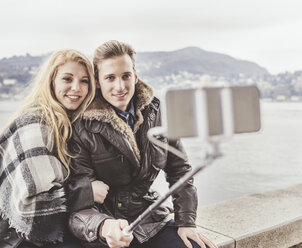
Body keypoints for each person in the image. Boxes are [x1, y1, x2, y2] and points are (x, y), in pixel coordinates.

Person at [67, 40, 217, 248]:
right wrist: (104, 226)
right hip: (104, 228)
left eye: (126, 76)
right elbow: (78, 202)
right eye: (110, 77)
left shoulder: (156, 112)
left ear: (135, 76)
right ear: (98, 82)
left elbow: (179, 170)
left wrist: (186, 221)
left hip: (148, 220)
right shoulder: (81, 125)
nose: (120, 86)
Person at [0, 49, 109, 248]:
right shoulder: (36, 124)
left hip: (33, 237)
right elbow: (35, 206)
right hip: (10, 241)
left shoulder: (68, 124)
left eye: (84, 81)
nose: (76, 88)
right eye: (67, 79)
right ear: (51, 82)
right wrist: (87, 191)